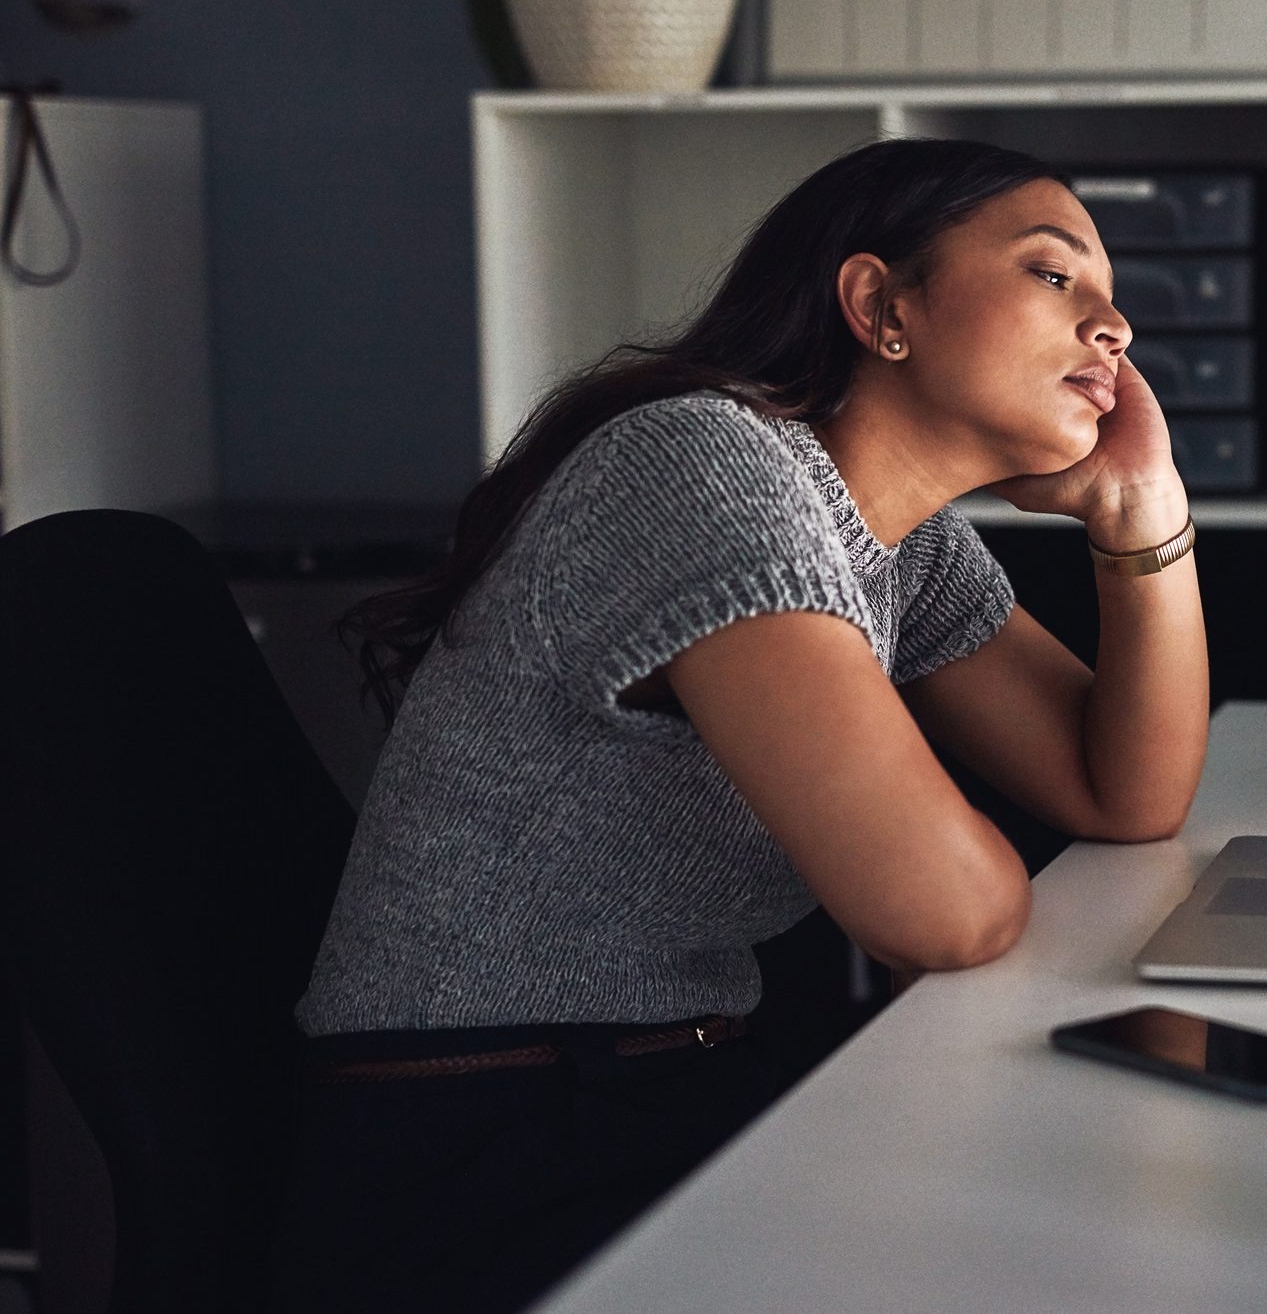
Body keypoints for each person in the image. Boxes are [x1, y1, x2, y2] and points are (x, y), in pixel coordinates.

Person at [273, 138, 1210, 1313]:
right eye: (1053, 274)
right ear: (881, 305)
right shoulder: (706, 467)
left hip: (655, 1085)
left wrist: (1142, 508)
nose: (1114, 324)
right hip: (477, 1150)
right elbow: (949, 912)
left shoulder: (895, 538)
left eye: (1110, 293)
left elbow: (1124, 793)